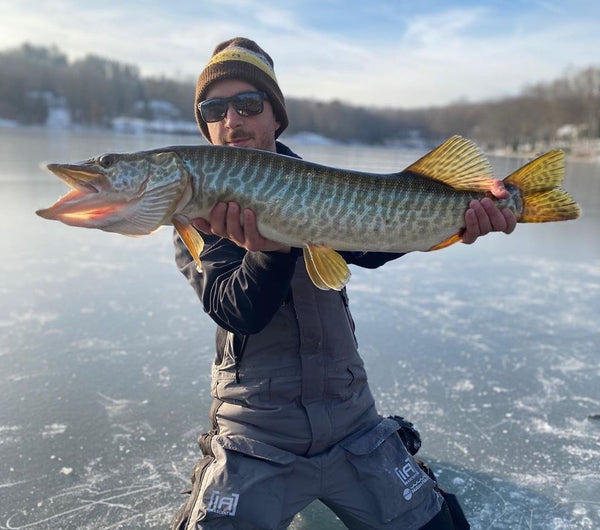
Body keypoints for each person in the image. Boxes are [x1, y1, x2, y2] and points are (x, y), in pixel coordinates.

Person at [171, 37, 516, 530]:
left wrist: (464, 212)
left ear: (275, 117)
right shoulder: (197, 210)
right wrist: (265, 251)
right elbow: (238, 310)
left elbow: (372, 244)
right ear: (204, 125)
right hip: (254, 431)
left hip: (352, 420)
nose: (232, 119)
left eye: (248, 103)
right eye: (215, 107)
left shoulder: (317, 186)